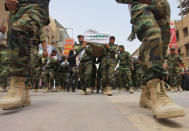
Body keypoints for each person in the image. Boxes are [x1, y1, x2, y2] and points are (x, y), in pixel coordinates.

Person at [116, 0, 185, 119]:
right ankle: (156, 91)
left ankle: (146, 94)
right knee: (153, 34)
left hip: (160, 4)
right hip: (141, 3)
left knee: (162, 43)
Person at [0, 0, 50, 110]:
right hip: (16, 9)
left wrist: (45, 50)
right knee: (15, 50)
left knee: (18, 30)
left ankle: (18, 87)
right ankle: (24, 94)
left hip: (36, 5)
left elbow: (43, 39)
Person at [0, 25, 9, 92]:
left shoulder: (4, 36)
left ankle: (3, 86)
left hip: (4, 53)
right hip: (3, 52)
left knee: (4, 69)